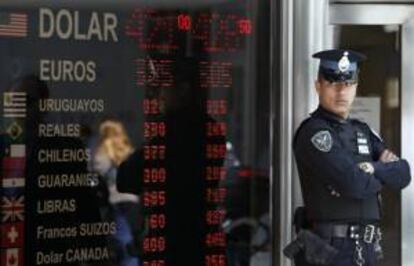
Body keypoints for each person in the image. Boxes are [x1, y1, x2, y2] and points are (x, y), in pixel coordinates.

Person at [289, 49, 411, 266]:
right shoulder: (315, 132)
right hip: (332, 250)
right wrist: (380, 171)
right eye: (332, 83)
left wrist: (372, 169)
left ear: (355, 87)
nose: (341, 91)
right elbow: (353, 183)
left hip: (367, 248)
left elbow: (403, 175)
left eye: (347, 84)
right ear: (318, 86)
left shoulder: (363, 131)